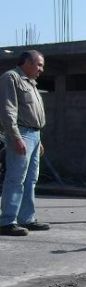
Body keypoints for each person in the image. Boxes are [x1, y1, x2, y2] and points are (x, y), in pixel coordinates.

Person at [0, 50, 49, 236]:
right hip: (21, 133)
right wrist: (16, 137)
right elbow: (8, 111)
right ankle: (7, 221)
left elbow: (33, 115)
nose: (41, 69)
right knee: (16, 177)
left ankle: (27, 218)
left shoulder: (31, 83)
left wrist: (39, 140)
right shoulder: (11, 78)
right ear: (27, 63)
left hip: (34, 135)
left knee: (31, 179)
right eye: (39, 65)